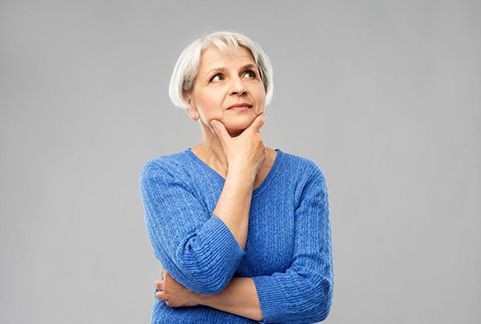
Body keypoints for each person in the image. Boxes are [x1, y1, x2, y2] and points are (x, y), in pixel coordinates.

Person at [139, 30, 334, 323]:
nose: (239, 87)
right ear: (190, 102)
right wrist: (243, 169)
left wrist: (194, 295)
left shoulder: (302, 178)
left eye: (249, 74)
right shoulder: (165, 175)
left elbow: (313, 295)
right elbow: (205, 271)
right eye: (218, 77)